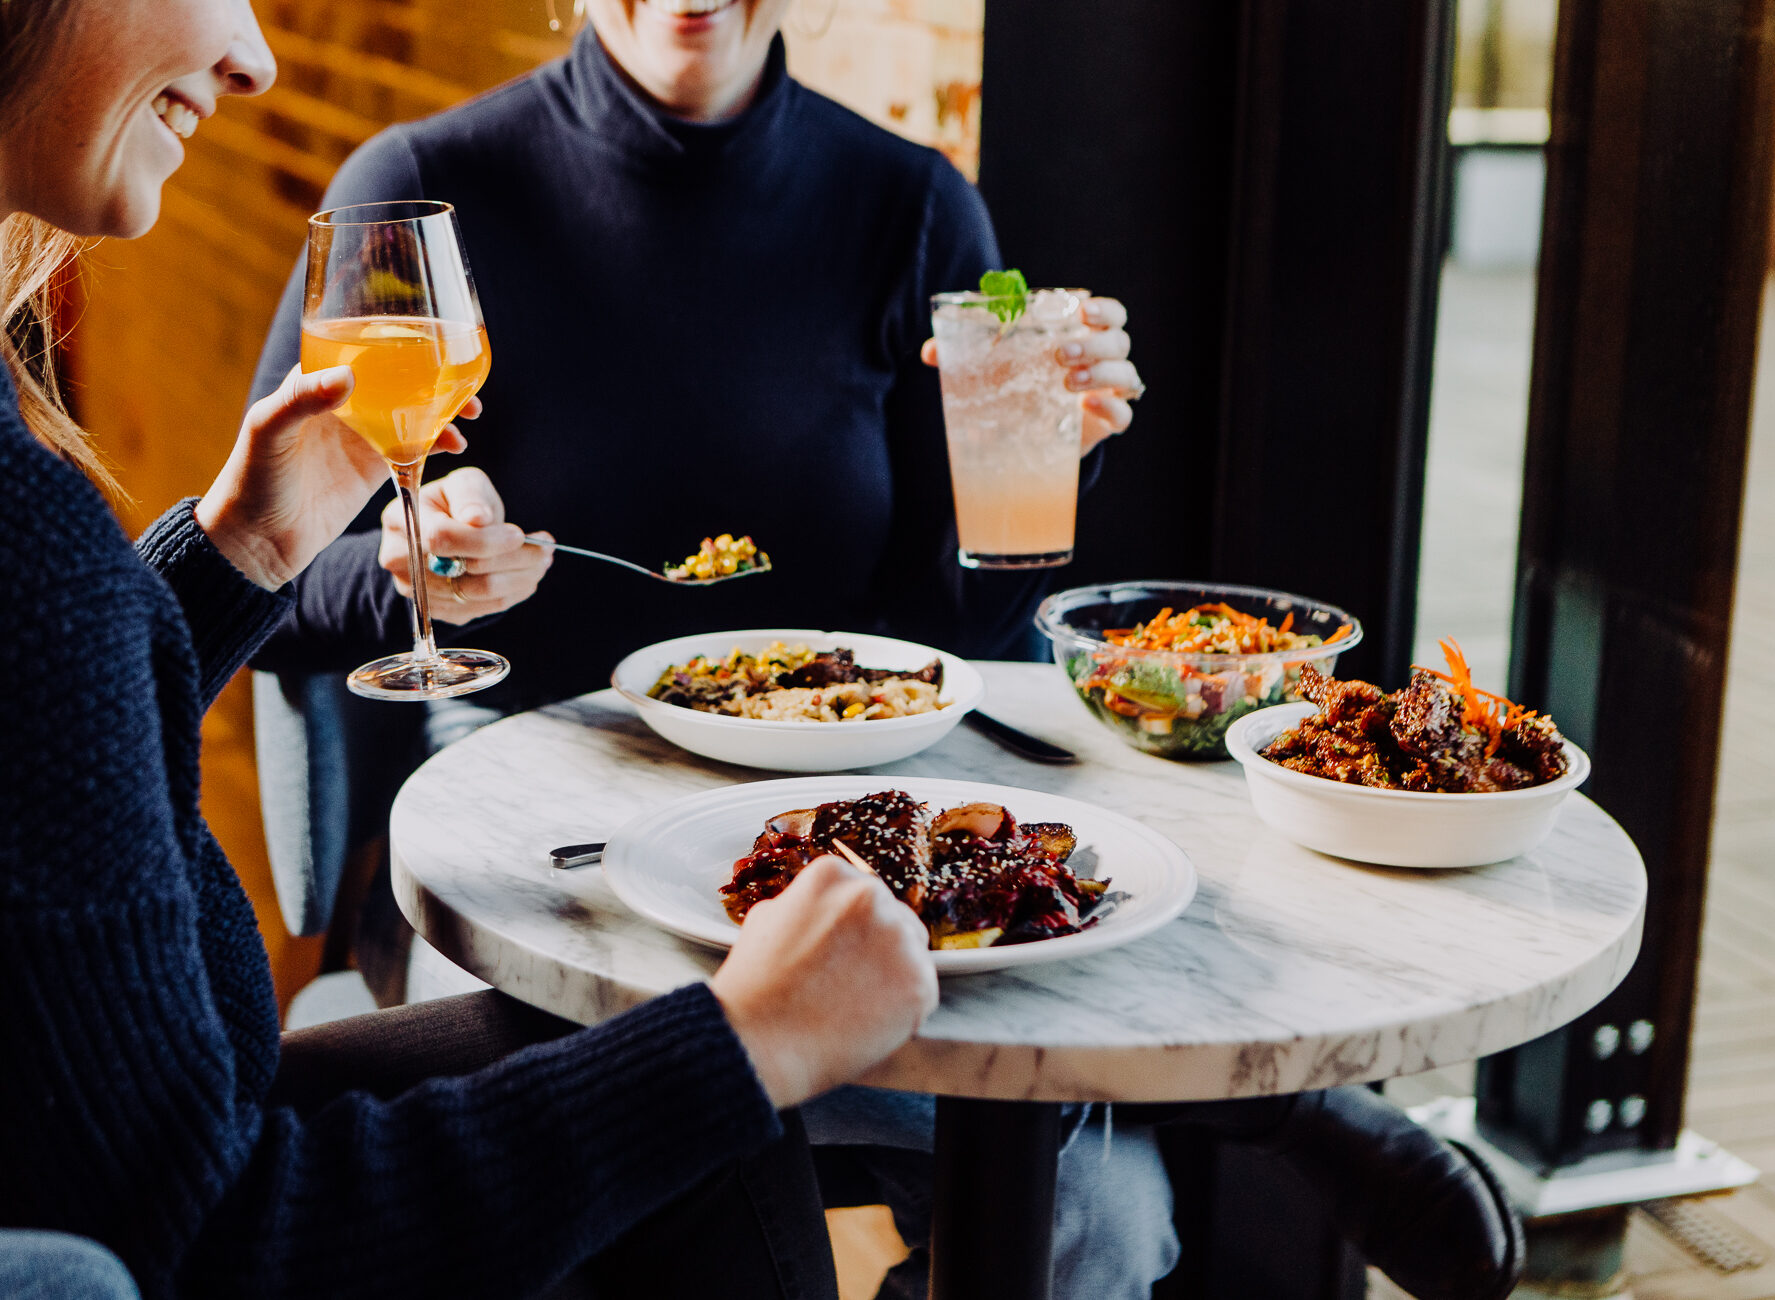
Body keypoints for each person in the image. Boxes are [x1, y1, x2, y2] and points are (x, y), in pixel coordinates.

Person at [0, 2, 939, 1297]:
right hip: (101, 1225)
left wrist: (238, 557)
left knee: (697, 1139)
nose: (256, 59)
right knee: (702, 1115)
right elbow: (217, 1247)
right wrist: (745, 1042)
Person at [237, 5, 1169, 1297]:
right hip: (529, 834)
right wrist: (411, 566)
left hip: (843, 825)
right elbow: (265, 589)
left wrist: (1040, 466)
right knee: (660, 1199)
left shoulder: (915, 206)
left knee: (1099, 1211)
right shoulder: (418, 192)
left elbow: (943, 632)